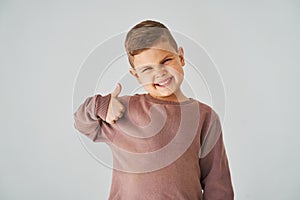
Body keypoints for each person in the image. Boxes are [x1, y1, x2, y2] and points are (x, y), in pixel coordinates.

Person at [73, 19, 234, 200]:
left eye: (166, 60)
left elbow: (218, 183)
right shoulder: (122, 110)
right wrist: (100, 106)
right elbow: (80, 122)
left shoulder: (205, 117)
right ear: (136, 75)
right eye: (147, 69)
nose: (159, 73)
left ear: (181, 57)